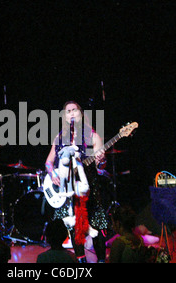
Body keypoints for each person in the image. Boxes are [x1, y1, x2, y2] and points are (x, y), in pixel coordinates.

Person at [44, 101, 108, 263]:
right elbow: (48, 162)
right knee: (73, 227)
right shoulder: (59, 138)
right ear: (64, 117)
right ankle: (80, 262)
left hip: (89, 190)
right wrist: (52, 174)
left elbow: (101, 166)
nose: (72, 114)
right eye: (68, 111)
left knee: (98, 225)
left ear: (81, 114)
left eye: (75, 110)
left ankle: (101, 260)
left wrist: (101, 160)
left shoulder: (93, 136)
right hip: (67, 191)